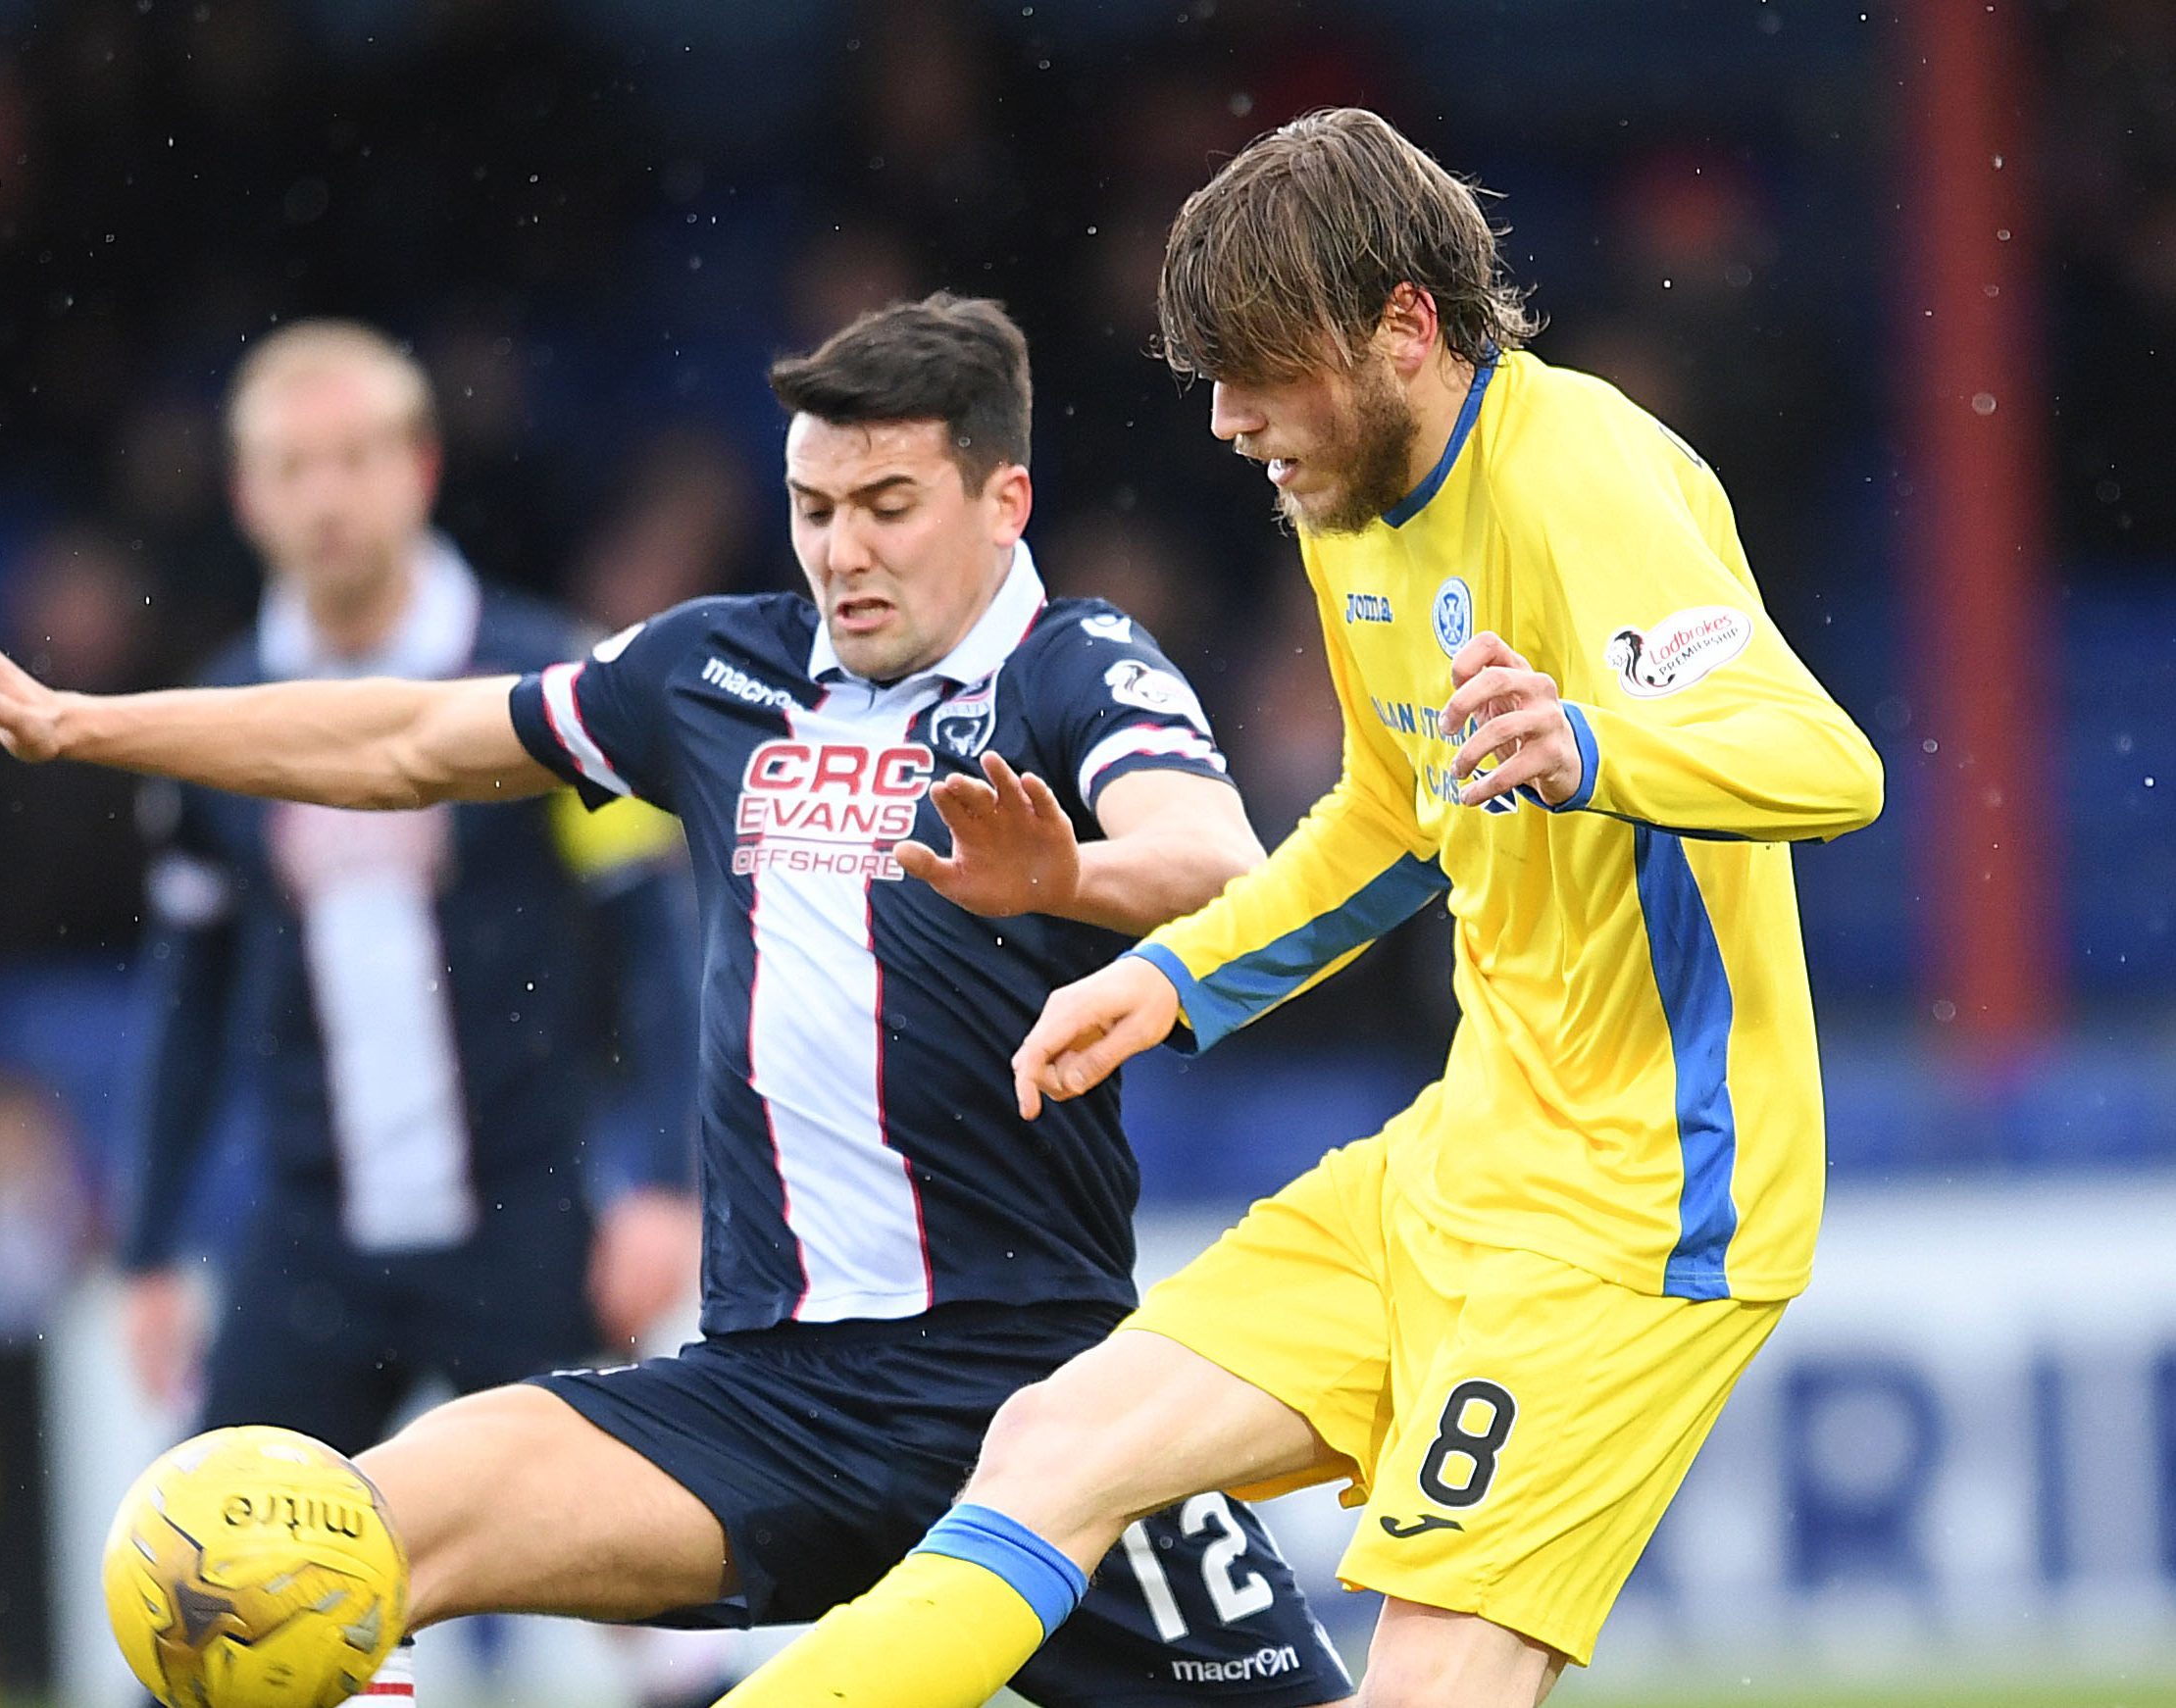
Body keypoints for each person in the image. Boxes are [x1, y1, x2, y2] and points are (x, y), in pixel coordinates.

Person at [0, 294, 1355, 1708]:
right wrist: (78, 721)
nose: (841, 549)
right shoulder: (715, 669)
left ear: (1002, 499)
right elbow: (413, 731)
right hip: (763, 1401)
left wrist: (1071, 880)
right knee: (315, 1541)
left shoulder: (1076, 669)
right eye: (813, 505)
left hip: (1042, 1403)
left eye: (888, 504)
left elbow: (1219, 860)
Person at [704, 109, 1888, 1708]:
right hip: (1465, 1154)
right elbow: (1392, 819)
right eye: (1209, 377)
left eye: (1254, 372)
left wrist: (1592, 740)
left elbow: (1825, 761)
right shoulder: (1349, 513)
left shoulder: (1584, 474)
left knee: (1426, 1677)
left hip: (1642, 1205)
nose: (1224, 419)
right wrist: (1181, 972)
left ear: (1402, 331)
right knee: (1060, 1439)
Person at [114, 322, 703, 1460]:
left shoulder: (560, 684)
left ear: (421, 467)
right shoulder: (212, 723)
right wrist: (146, 1250)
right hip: (309, 1241)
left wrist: (672, 1183)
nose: (327, 496)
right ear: (246, 495)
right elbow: (186, 992)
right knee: (226, 1576)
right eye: (293, 466)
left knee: (646, 1597)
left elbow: (662, 948)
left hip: (532, 1213)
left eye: (356, 457)